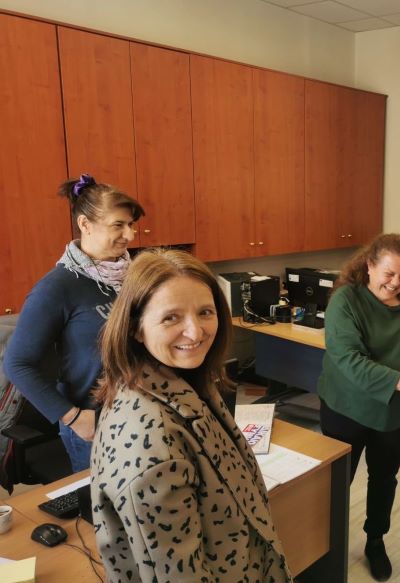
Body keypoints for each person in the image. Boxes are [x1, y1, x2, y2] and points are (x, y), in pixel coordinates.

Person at [91, 249, 292, 583]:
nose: (196, 332)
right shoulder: (153, 445)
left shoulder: (185, 382)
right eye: (171, 317)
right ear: (136, 328)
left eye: (205, 312)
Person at [4, 174, 144, 472]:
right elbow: (17, 364)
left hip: (142, 411)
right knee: (100, 501)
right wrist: (73, 418)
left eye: (131, 225)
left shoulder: (132, 277)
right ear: (85, 224)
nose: (130, 235)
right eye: (118, 225)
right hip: (95, 423)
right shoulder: (57, 287)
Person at [317, 233, 400, 582]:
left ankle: (375, 540)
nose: (396, 283)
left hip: (394, 412)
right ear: (369, 265)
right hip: (347, 409)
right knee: (338, 484)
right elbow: (348, 360)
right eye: (388, 273)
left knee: (384, 479)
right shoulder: (346, 301)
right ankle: (326, 545)